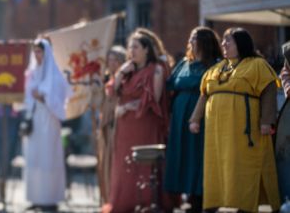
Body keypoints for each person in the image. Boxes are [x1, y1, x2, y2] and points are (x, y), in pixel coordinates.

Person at [189, 27, 281, 212]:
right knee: (218, 165)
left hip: (243, 127)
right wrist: (195, 119)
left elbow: (269, 91)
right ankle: (214, 202)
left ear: (241, 43)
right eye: (223, 40)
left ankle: (245, 205)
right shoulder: (215, 69)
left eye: (228, 40)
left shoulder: (257, 65)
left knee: (244, 165)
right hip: (217, 130)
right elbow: (204, 95)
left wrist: (266, 121)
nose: (223, 44)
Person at [106, 28, 171, 212]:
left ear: (146, 50)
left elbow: (154, 99)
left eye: (135, 47)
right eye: (130, 47)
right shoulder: (127, 70)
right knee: (123, 163)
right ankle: (124, 202)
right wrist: (120, 72)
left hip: (145, 124)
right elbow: (111, 91)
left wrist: (127, 107)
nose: (131, 51)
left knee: (144, 164)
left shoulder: (156, 70)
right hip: (125, 126)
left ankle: (147, 202)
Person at [163, 27, 221, 212]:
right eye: (190, 38)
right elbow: (170, 84)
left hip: (201, 116)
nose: (190, 41)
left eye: (194, 38)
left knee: (198, 155)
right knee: (184, 154)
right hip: (180, 117)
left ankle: (202, 196)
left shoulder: (214, 64)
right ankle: (188, 194)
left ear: (205, 41)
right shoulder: (183, 63)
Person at [22, 39, 70, 211]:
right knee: (34, 158)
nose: (37, 55)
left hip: (49, 120)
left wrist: (43, 97)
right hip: (35, 119)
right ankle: (35, 197)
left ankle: (50, 198)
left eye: (40, 51)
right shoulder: (32, 73)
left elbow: (61, 99)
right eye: (35, 51)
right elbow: (26, 97)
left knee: (48, 158)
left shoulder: (55, 75)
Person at [97, 45, 125, 204]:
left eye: (115, 60)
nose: (111, 63)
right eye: (109, 60)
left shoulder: (124, 78)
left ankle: (115, 197)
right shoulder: (107, 78)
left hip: (117, 122)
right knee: (105, 160)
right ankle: (107, 197)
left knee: (114, 160)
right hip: (105, 122)